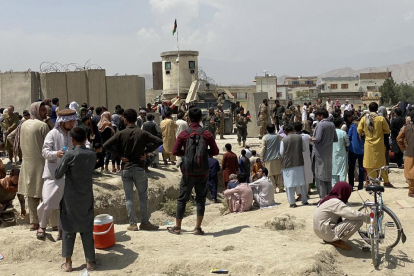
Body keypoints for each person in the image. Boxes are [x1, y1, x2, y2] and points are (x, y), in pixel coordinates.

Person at [104, 109, 162, 231]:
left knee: (129, 197)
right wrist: (146, 152)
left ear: (125, 120)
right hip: (139, 168)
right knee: (143, 196)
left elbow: (106, 145)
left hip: (126, 168)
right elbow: (159, 141)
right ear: (136, 119)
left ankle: (132, 224)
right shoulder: (142, 133)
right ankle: (145, 222)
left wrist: (120, 155)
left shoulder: (121, 133)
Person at [168, 107, 219, 235]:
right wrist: (204, 154)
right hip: (203, 172)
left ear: (188, 118)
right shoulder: (207, 134)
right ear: (201, 118)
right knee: (200, 199)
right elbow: (215, 151)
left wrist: (186, 154)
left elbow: (174, 151)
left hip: (187, 172)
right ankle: (197, 228)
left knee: (182, 200)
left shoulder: (184, 134)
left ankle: (178, 227)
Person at [55, 127, 97, 272]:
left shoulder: (69, 155)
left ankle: (68, 263)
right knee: (86, 228)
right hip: (86, 196)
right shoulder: (92, 155)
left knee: (68, 229)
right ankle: (90, 262)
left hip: (70, 198)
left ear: (72, 140)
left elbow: (57, 174)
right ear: (85, 139)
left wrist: (62, 158)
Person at [36, 109, 78, 240]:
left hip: (68, 174)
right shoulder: (52, 134)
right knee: (47, 201)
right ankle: (42, 227)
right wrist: (56, 153)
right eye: (70, 121)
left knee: (64, 204)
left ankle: (61, 230)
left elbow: (84, 144)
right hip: (53, 174)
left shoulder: (73, 134)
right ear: (62, 122)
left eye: (73, 121)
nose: (72, 123)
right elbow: (45, 152)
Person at [14, 102, 50, 231]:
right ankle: (48, 223)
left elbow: (14, 139)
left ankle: (33, 223)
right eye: (42, 110)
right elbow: (49, 146)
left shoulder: (23, 124)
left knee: (31, 193)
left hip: (27, 164)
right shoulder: (43, 125)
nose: (45, 112)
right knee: (45, 194)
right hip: (41, 164)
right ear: (36, 111)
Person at [313, 182, 369, 250]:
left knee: (355, 217)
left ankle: (330, 238)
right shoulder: (336, 202)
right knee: (358, 220)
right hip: (326, 233)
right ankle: (337, 241)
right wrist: (370, 218)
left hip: (319, 232)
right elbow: (352, 214)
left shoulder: (327, 199)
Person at [357, 102, 392, 187]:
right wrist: (379, 132)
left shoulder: (364, 119)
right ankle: (386, 181)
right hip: (379, 144)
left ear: (369, 109)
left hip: (368, 144)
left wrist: (366, 132)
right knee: (381, 163)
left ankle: (371, 180)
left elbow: (359, 130)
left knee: (369, 163)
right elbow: (387, 130)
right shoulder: (381, 119)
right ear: (377, 109)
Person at [311, 108, 338, 199]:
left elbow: (317, 139)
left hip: (319, 154)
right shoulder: (332, 124)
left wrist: (310, 138)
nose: (316, 117)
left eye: (317, 116)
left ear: (321, 116)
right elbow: (335, 139)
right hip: (328, 154)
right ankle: (329, 196)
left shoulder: (321, 125)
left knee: (320, 177)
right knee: (328, 176)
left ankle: (323, 198)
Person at [280, 124, 308, 208]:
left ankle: (292, 203)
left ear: (285, 131)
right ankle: (304, 200)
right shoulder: (300, 138)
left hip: (287, 164)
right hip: (299, 162)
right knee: (302, 183)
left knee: (289, 184)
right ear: (293, 129)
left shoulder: (283, 140)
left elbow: (281, 153)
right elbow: (304, 149)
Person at [260, 124, 284, 193]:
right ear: (274, 129)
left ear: (267, 130)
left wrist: (261, 157)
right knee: (278, 174)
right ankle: (281, 188)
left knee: (270, 174)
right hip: (278, 157)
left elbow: (263, 148)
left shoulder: (265, 137)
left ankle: (273, 189)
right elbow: (283, 140)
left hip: (268, 158)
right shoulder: (277, 136)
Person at [294, 122, 313, 201]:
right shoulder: (306, 136)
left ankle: (300, 194)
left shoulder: (292, 137)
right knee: (306, 175)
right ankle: (305, 193)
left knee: (298, 176)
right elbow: (313, 143)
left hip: (296, 159)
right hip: (306, 158)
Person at [397, 120, 414, 197]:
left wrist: (404, 148)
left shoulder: (406, 127)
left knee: (410, 172)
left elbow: (399, 138)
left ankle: (411, 191)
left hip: (410, 152)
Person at [348, 115, 365, 190]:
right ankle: (360, 185)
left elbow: (349, 136)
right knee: (361, 168)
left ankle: (351, 185)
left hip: (353, 149)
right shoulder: (365, 126)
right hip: (362, 149)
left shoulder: (353, 126)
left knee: (351, 168)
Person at [332, 118, 350, 185]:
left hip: (332, 155)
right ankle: (342, 188)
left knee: (333, 173)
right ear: (340, 125)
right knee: (342, 172)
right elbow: (348, 143)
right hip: (342, 155)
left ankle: (334, 189)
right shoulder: (343, 133)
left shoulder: (330, 133)